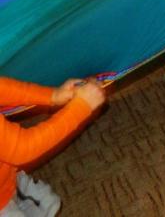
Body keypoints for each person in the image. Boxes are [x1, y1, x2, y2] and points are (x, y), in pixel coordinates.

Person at [0, 77, 106, 217]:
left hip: (7, 177)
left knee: (48, 204)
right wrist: (81, 107)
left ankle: (12, 191)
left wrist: (52, 95)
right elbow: (23, 148)